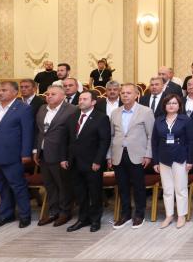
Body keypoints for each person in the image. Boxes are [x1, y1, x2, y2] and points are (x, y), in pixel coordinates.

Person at [0, 81, 34, 229]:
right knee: (1, 187)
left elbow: (27, 133)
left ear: (15, 92)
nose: (0, 92)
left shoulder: (23, 108)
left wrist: (26, 154)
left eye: (4, 90)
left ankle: (25, 216)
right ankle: (6, 215)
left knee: (18, 187)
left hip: (12, 155)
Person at [109, 83, 155, 229]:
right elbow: (111, 136)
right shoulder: (115, 113)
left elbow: (151, 135)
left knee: (138, 186)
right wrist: (109, 155)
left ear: (136, 95)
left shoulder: (146, 112)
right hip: (118, 154)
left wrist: (148, 154)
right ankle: (125, 214)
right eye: (123, 93)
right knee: (122, 186)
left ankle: (139, 214)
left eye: (128, 93)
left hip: (138, 155)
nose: (125, 95)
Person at [66, 89, 110, 232]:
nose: (81, 101)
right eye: (80, 99)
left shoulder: (101, 118)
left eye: (85, 99)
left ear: (93, 102)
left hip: (92, 163)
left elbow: (104, 141)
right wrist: (65, 158)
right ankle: (83, 219)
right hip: (74, 162)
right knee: (80, 193)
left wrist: (98, 161)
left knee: (94, 193)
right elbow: (67, 140)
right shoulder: (73, 117)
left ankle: (95, 220)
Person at [33, 84, 77, 226]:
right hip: (43, 153)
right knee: (49, 185)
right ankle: (53, 211)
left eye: (53, 94)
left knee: (63, 185)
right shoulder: (42, 109)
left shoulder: (72, 110)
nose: (49, 96)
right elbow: (39, 131)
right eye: (47, 94)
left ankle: (65, 212)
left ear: (63, 96)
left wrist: (68, 156)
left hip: (60, 154)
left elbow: (73, 135)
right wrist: (36, 150)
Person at [151, 94, 193, 229]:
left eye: (174, 103)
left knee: (180, 188)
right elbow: (154, 142)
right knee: (167, 189)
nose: (171, 105)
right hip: (163, 158)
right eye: (168, 103)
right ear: (164, 106)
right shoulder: (159, 120)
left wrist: (190, 160)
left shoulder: (185, 120)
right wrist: (155, 161)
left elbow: (191, 141)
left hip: (180, 157)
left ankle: (181, 215)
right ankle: (169, 215)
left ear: (179, 106)